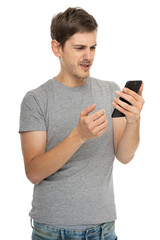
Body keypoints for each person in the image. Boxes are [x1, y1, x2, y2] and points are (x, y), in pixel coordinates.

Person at [19, 7, 144, 240]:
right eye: (79, 48)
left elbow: (125, 156)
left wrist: (133, 120)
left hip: (103, 229)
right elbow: (33, 172)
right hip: (52, 231)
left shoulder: (110, 91)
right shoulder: (36, 99)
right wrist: (79, 135)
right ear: (57, 48)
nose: (89, 56)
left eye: (92, 47)